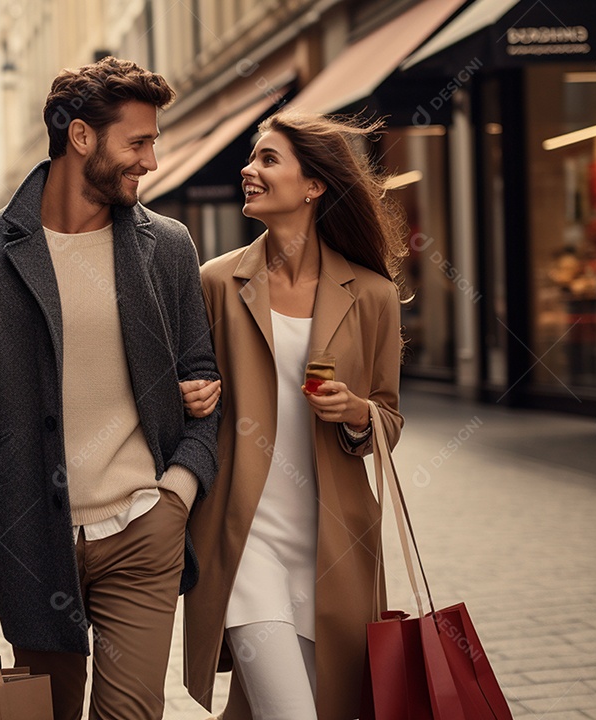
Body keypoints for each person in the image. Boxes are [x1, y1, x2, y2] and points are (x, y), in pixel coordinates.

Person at [0, 56, 219, 720]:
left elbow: (205, 385)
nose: (150, 160)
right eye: (137, 142)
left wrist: (178, 491)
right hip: (31, 541)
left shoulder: (168, 246)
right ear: (81, 137)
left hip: (144, 531)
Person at [181, 110, 408, 720]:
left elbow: (388, 418)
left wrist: (358, 413)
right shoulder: (217, 283)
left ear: (313, 186)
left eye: (267, 159)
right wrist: (190, 398)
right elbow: (181, 396)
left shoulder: (372, 296)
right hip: (242, 533)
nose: (248, 170)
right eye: (253, 158)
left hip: (333, 541)